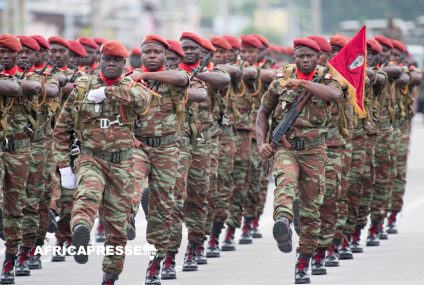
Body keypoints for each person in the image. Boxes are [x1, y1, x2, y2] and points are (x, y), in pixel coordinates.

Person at [52, 40, 152, 285]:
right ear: (100, 60)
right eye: (107, 60)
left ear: (123, 64)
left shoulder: (133, 86)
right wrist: (64, 167)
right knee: (87, 195)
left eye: (116, 61)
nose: (110, 64)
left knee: (118, 230)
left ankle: (110, 276)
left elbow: (143, 101)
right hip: (91, 158)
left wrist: (108, 92)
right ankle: (80, 233)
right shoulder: (82, 88)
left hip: (123, 164)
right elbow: (61, 130)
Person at [256, 38, 341, 284]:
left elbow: (334, 95)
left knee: (312, 209)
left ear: (317, 57)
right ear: (294, 57)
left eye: (309, 57)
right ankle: (282, 220)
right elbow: (263, 113)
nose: (304, 60)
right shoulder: (280, 82)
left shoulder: (328, 79)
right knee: (284, 182)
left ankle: (304, 259)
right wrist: (262, 142)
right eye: (299, 56)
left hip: (315, 151)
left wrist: (303, 82)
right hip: (286, 149)